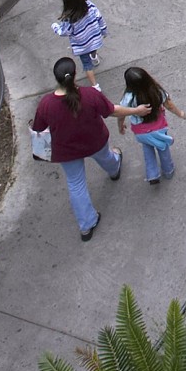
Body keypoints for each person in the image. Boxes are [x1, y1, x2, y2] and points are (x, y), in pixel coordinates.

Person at [30, 57, 143, 241]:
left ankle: (87, 225)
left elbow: (38, 130)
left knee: (76, 184)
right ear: (75, 75)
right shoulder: (90, 95)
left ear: (56, 78)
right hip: (95, 142)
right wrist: (136, 111)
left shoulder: (46, 104)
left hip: (66, 151)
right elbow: (113, 111)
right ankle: (114, 170)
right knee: (108, 157)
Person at [116, 65, 186, 186]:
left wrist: (120, 126)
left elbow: (121, 114)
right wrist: (180, 113)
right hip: (159, 128)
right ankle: (168, 171)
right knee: (163, 148)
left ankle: (152, 174)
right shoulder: (156, 91)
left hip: (141, 132)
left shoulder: (128, 97)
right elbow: (169, 105)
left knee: (147, 150)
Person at [52, 0, 109, 88]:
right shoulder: (89, 6)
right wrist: (103, 30)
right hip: (94, 38)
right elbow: (99, 18)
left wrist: (55, 27)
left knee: (87, 66)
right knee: (93, 49)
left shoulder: (69, 18)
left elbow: (65, 32)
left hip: (82, 45)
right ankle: (94, 57)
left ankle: (95, 86)